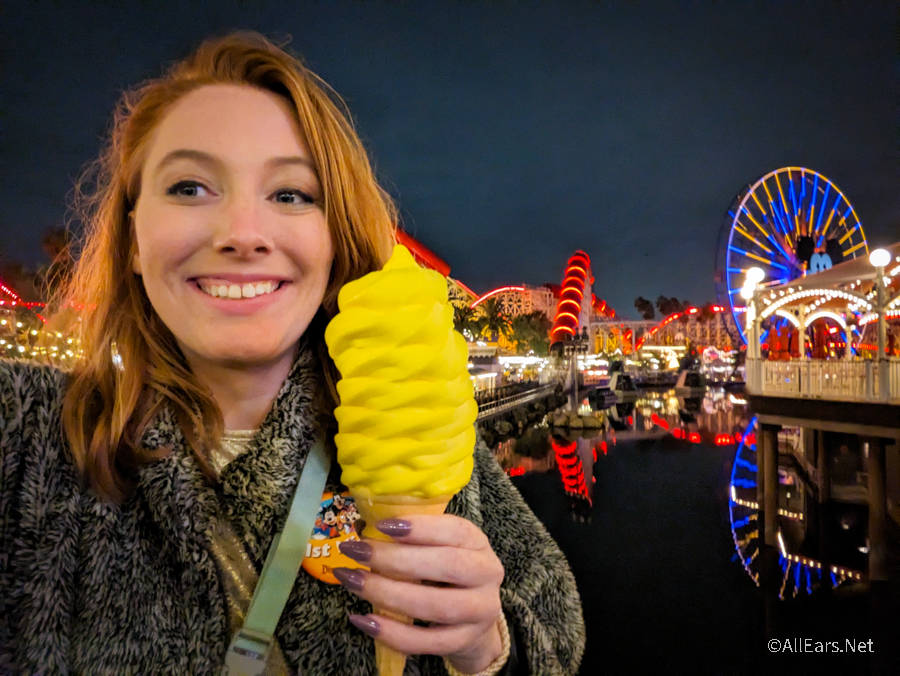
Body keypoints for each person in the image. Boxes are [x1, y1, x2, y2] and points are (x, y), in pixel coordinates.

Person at [0, 32, 584, 675]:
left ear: (333, 239)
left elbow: (555, 624)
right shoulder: (28, 436)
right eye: (190, 187)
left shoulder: (425, 429)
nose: (242, 235)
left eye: (290, 194)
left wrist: (486, 647)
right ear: (133, 238)